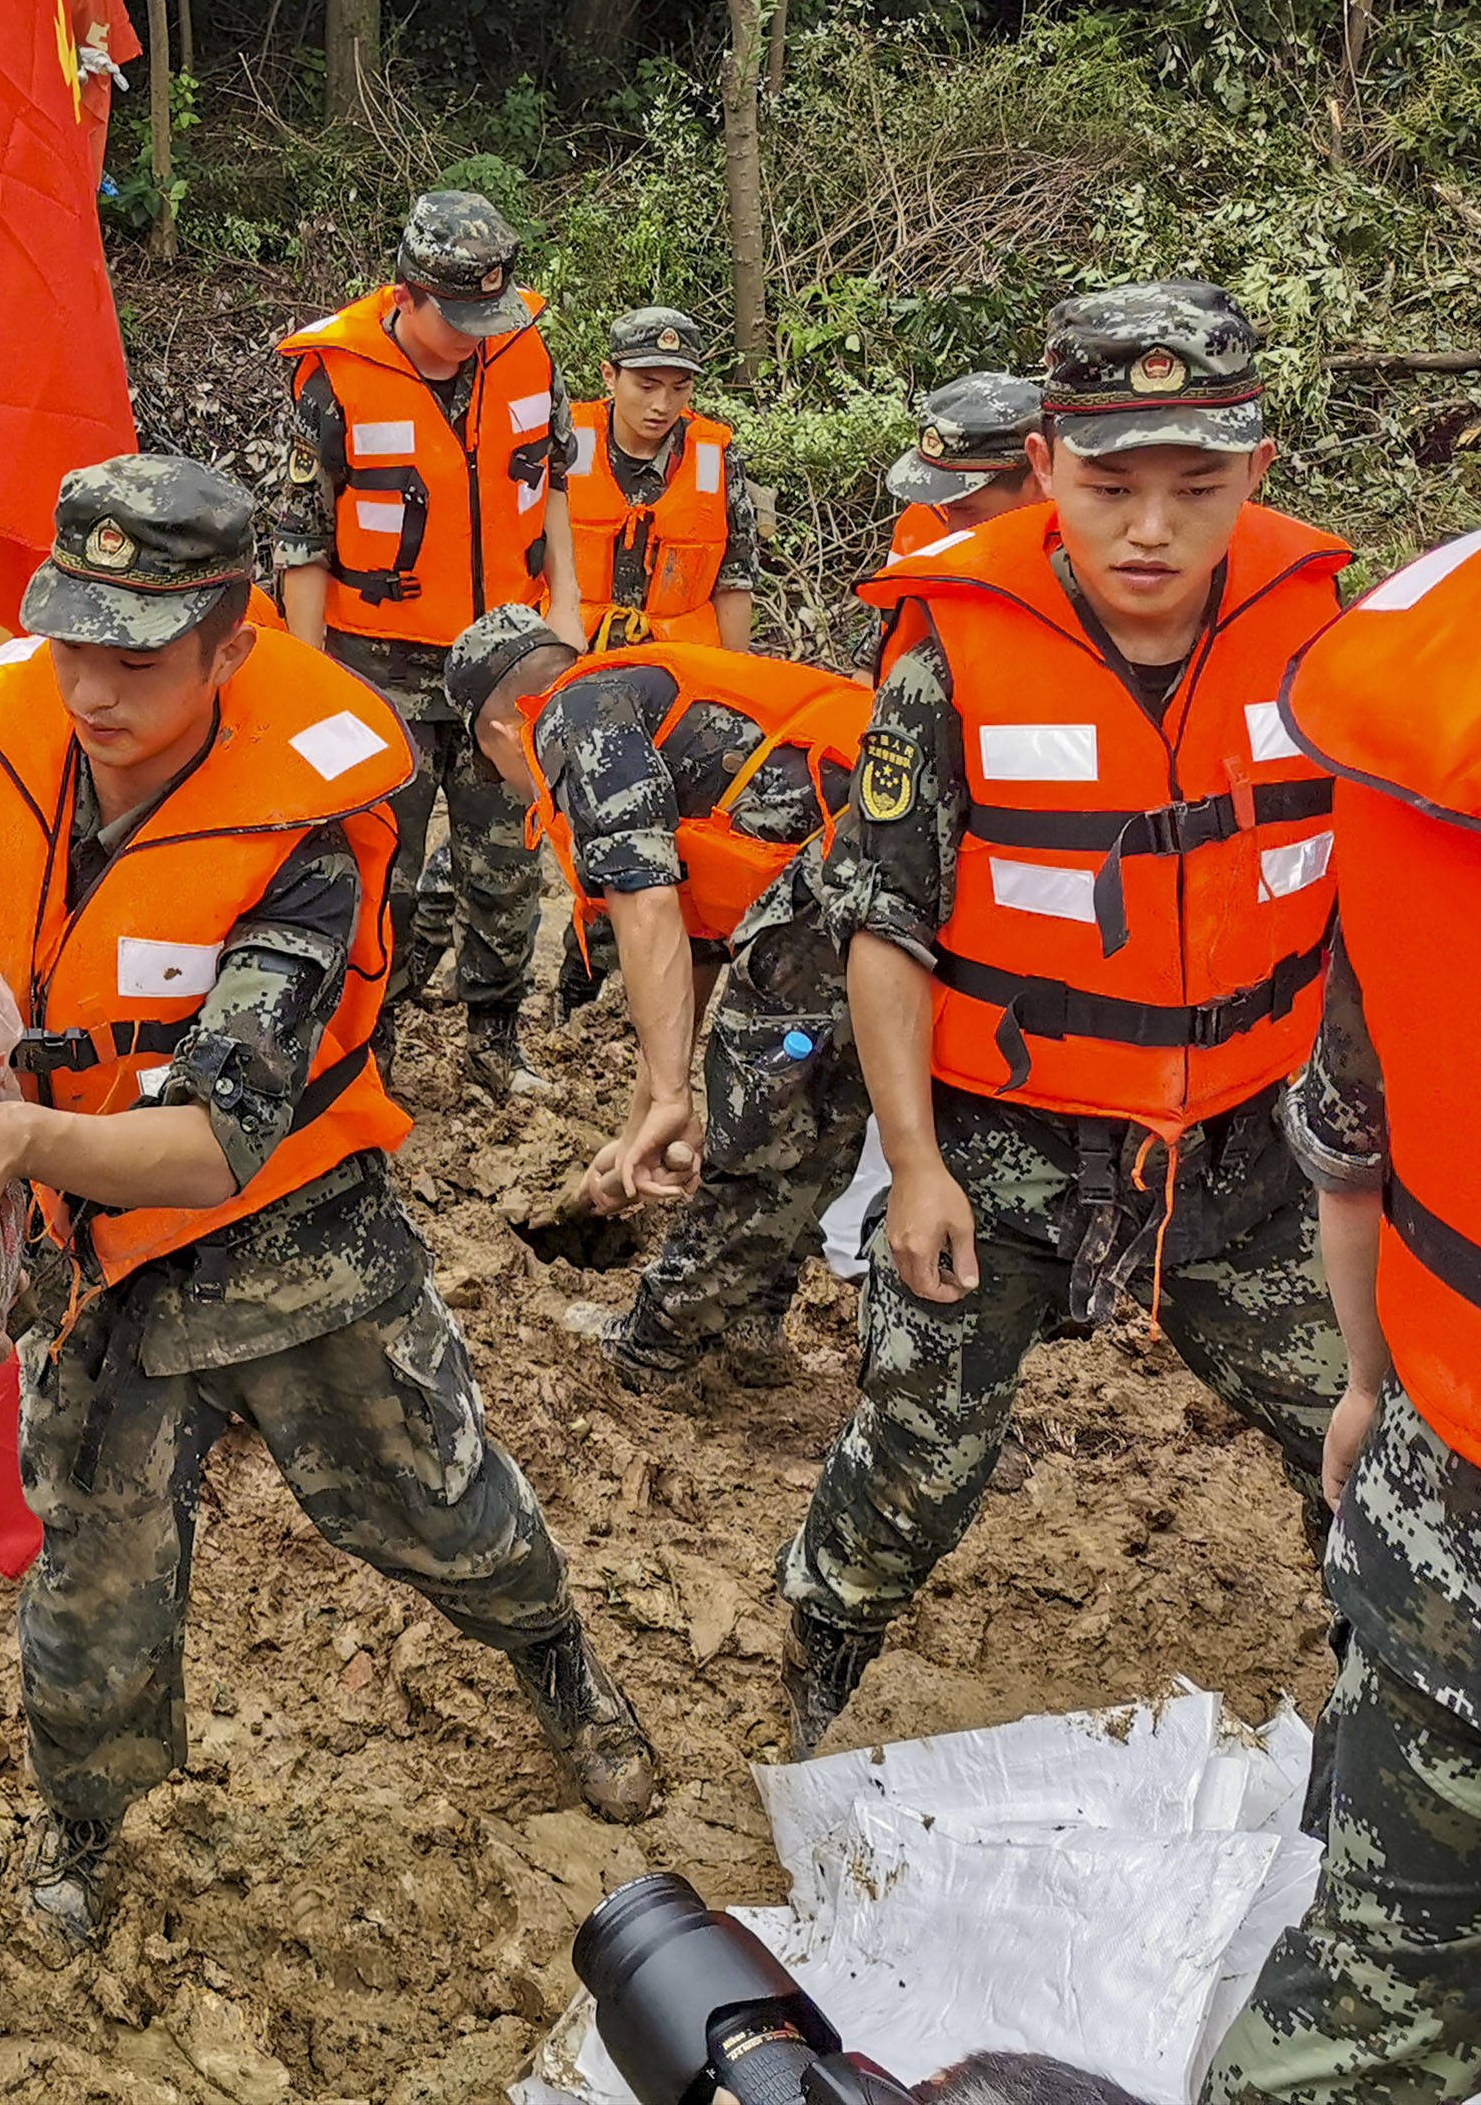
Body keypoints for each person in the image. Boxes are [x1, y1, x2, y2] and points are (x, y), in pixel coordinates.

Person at [0, 456, 659, 1959]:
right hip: (88, 1250)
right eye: (76, 643)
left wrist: (13, 1136)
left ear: (231, 642)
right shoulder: (4, 727)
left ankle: (557, 1658)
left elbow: (210, 1145)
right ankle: (84, 1823)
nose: (94, 689)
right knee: (90, 1580)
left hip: (286, 1242)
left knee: (435, 1503)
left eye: (141, 656)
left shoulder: (307, 821)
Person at [775, 282, 1353, 1757]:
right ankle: (821, 1647)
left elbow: (1377, 903)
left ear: (1255, 473)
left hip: (1250, 1145)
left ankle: (1391, 1696)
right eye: (1109, 486)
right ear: (1044, 467)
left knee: (1367, 1438)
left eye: (1195, 489)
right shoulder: (944, 662)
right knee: (918, 1452)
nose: (1148, 529)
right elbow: (884, 927)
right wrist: (911, 1164)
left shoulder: (1326, 638)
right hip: (1004, 1145)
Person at [1203, 503, 1481, 2105]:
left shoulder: (1454, 697)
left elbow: (1350, 1152)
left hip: (1459, 1530)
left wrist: (1366, 1386)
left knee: (1348, 2034)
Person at [445, 605, 871, 1391]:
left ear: (502, 732)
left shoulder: (573, 714)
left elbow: (643, 901)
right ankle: (749, 1321)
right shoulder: (658, 705)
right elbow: (694, 948)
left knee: (762, 1108)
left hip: (846, 877)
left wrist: (678, 1095)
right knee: (819, 1106)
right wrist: (645, 1122)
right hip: (889, 870)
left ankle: (652, 1348)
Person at [269, 190, 583, 1099]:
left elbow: (553, 479)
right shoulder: (334, 376)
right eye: (459, 318)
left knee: (508, 859)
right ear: (406, 293)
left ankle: (494, 1038)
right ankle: (372, 1053)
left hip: (505, 656)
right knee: (381, 875)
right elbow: (301, 536)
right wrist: (311, 676)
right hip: (378, 663)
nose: (477, 336)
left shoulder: (522, 350)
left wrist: (564, 602)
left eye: (490, 314)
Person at [559, 308, 765, 653]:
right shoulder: (566, 442)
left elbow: (734, 582)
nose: (662, 405)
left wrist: (735, 681)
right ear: (610, 376)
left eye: (679, 388)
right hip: (574, 652)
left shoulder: (715, 459)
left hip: (679, 663)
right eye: (647, 386)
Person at [885, 372, 1046, 559]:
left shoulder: (1081, 552)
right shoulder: (921, 522)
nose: (950, 527)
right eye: (942, 503)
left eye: (967, 509)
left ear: (1039, 481)